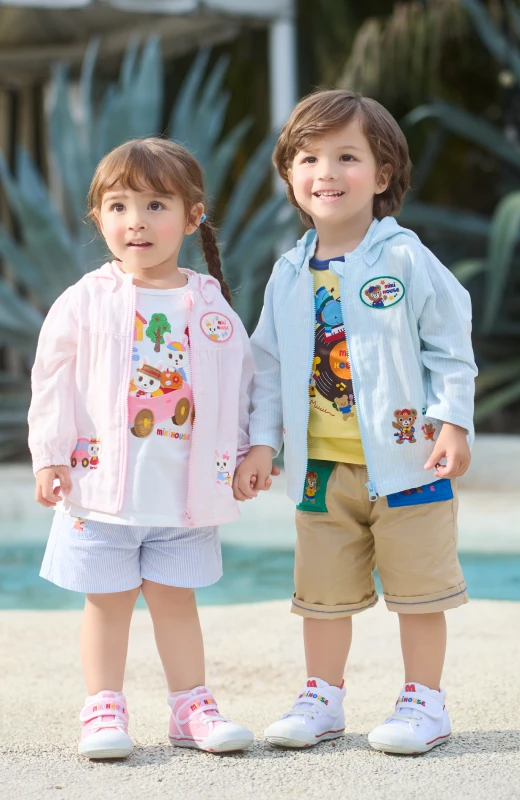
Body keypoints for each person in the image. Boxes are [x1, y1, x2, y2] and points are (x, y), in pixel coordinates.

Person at [233, 90, 477, 755]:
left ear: (382, 173)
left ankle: (424, 701)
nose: (327, 173)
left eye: (347, 157)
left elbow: (449, 344)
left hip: (408, 463)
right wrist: (261, 443)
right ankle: (322, 696)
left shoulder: (404, 258)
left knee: (419, 592)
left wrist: (452, 421)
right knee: (321, 593)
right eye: (309, 158)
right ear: (290, 175)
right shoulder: (287, 274)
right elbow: (266, 368)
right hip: (322, 470)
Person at [29, 138, 254, 759]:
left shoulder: (209, 304)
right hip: (100, 491)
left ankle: (191, 709)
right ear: (98, 217)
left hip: (185, 493)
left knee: (176, 603)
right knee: (107, 605)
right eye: (119, 205)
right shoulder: (85, 299)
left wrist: (248, 452)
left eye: (156, 205)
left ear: (192, 216)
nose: (137, 221)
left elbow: (240, 383)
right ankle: (103, 709)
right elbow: (50, 379)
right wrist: (50, 454)